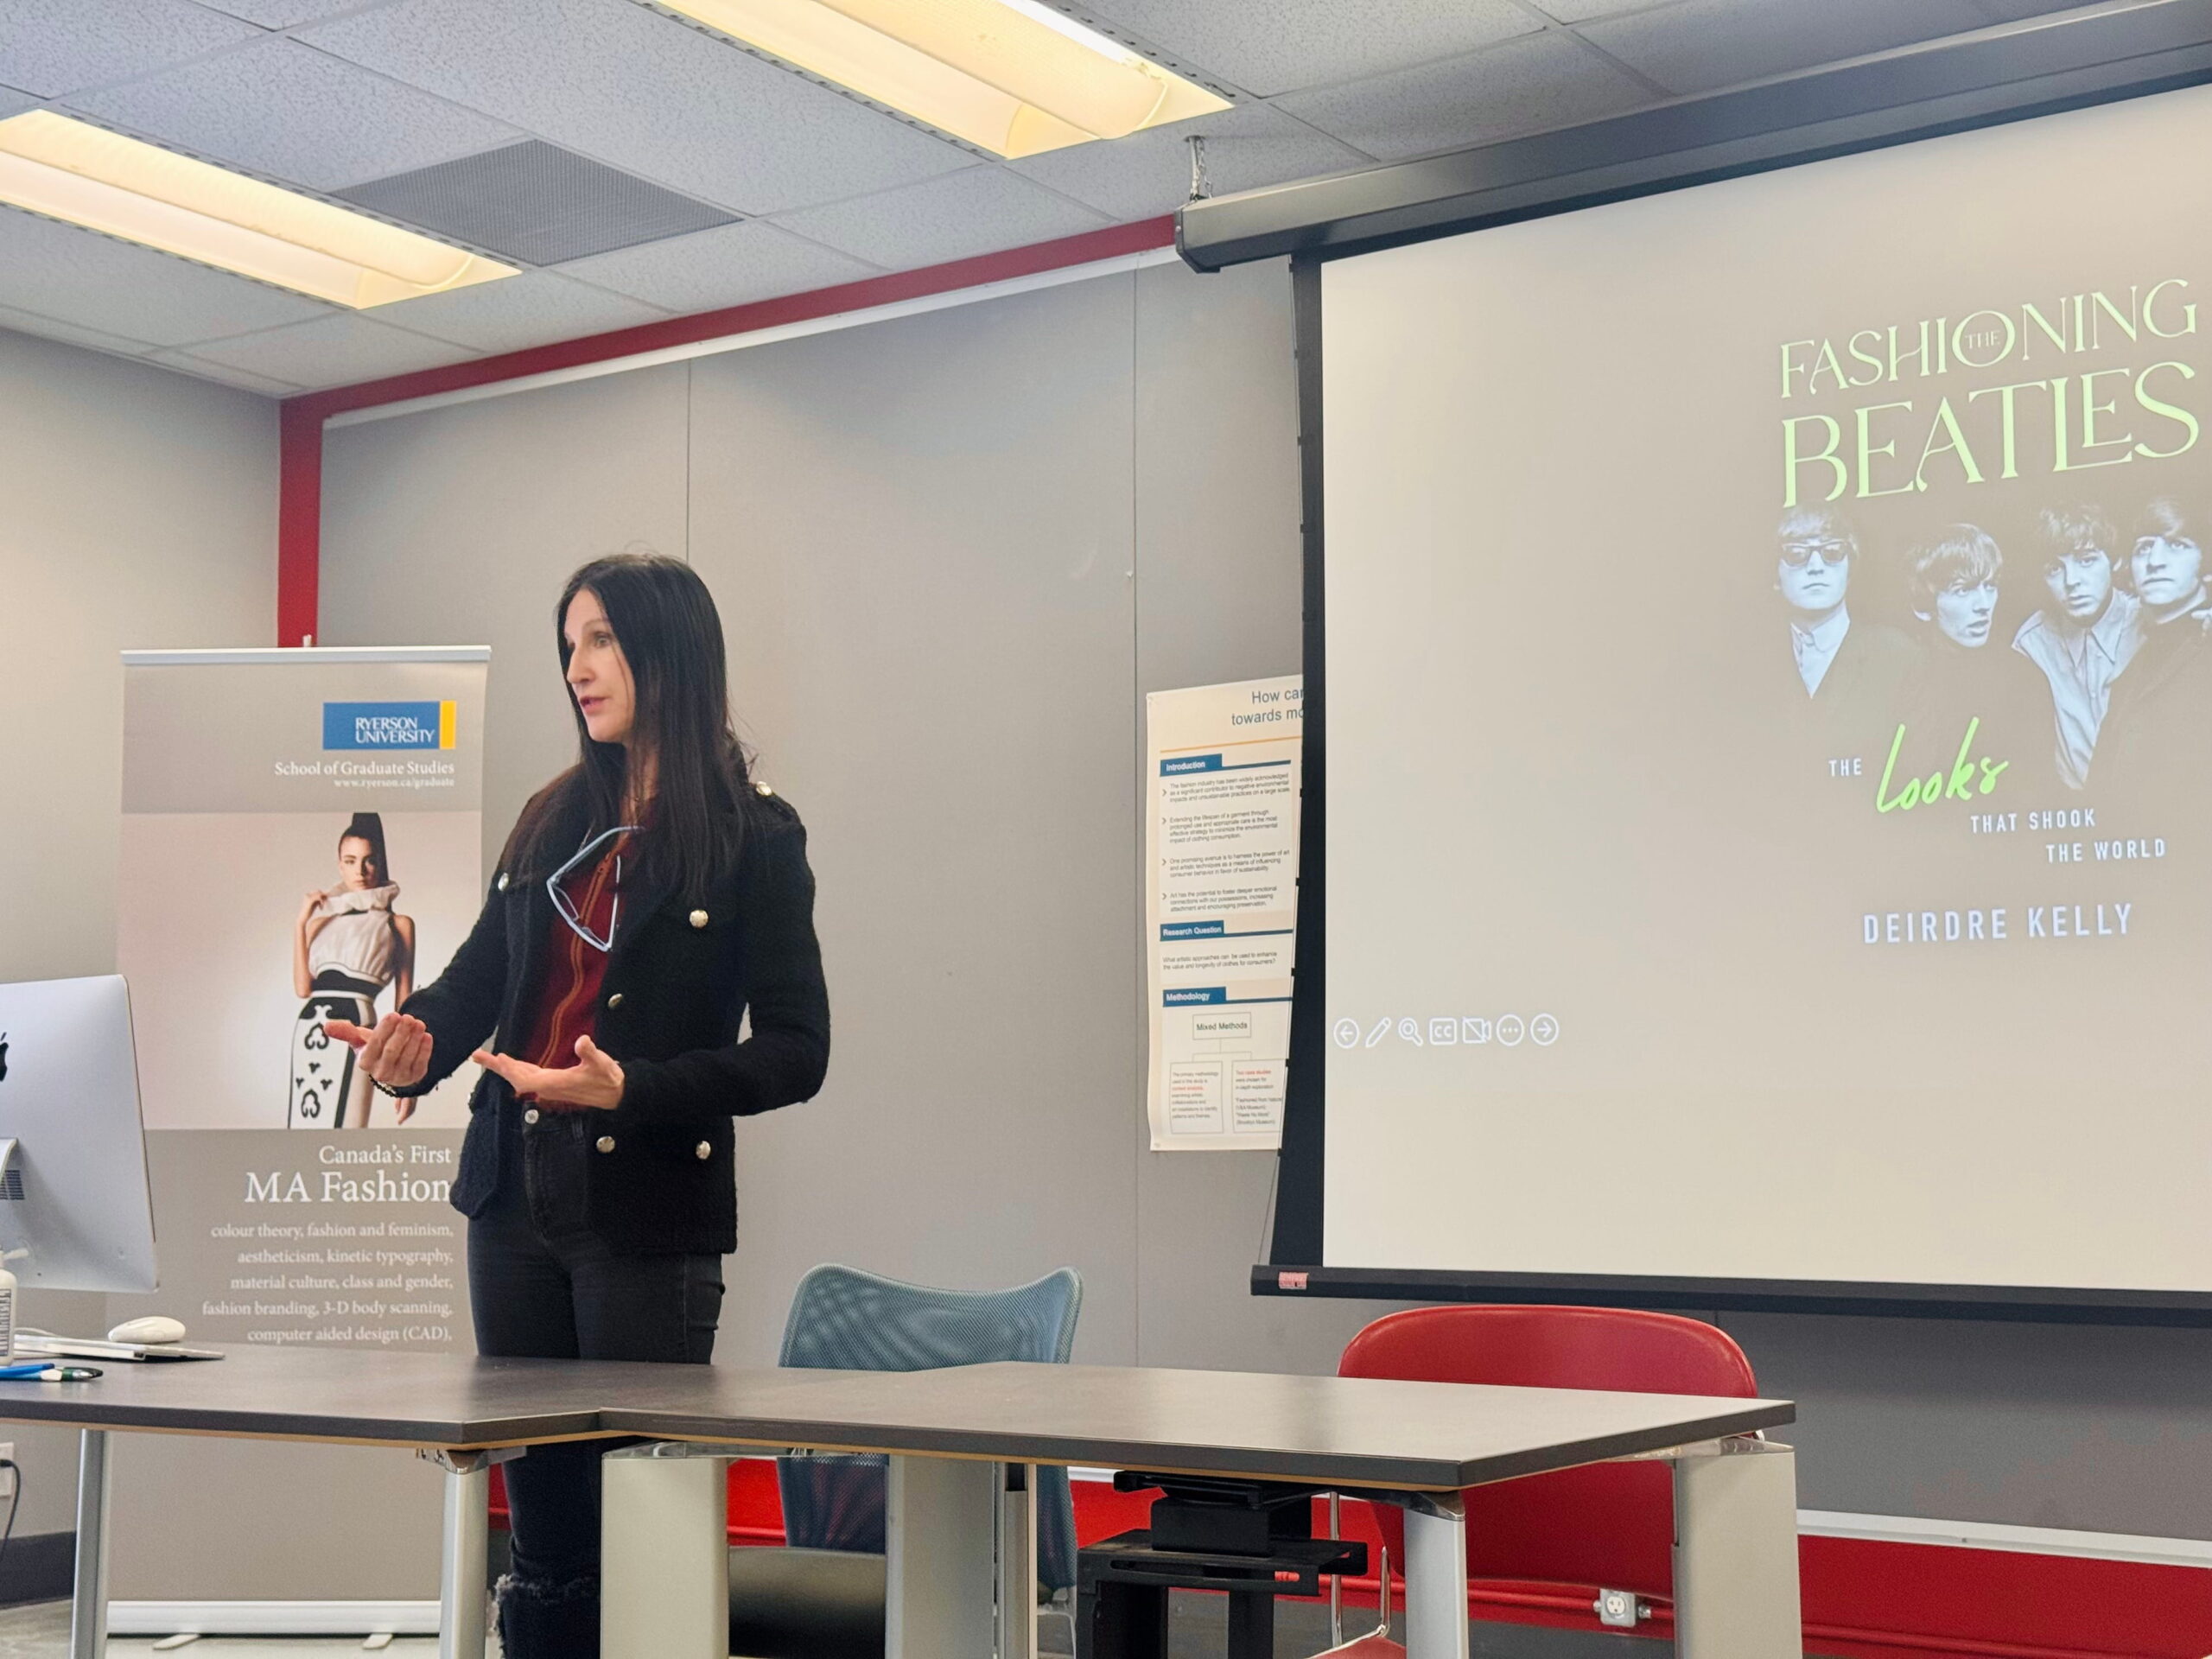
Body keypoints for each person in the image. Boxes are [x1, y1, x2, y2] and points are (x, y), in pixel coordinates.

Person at [326, 552, 830, 1657]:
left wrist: (637, 1089)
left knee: (636, 1506)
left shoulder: (754, 836)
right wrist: (413, 1050)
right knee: (544, 1528)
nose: (579, 668)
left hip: (643, 1206)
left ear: (670, 650)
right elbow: (473, 988)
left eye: (600, 639)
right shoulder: (552, 817)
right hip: (512, 1193)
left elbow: (798, 1052)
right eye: (569, 646)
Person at [288, 813, 413, 1128]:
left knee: (350, 1123)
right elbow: (303, 989)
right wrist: (300, 922)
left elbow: (404, 1003)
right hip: (311, 1026)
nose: (360, 870)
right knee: (304, 1123)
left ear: (380, 863)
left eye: (369, 861)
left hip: (358, 1023)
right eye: (351, 860)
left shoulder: (397, 924)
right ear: (340, 864)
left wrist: (408, 1075)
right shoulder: (319, 923)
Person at [2010, 505, 2141, 791]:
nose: (2072, 582)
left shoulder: (2148, 626)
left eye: (2086, 560)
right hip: (2073, 812)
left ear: (2115, 562)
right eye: (2055, 569)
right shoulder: (2031, 643)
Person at [2094, 496, 2212, 808]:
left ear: (2206, 562)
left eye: (2177, 545)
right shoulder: (2133, 673)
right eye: (2143, 548)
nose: (2155, 561)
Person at [1773, 504, 1919, 753]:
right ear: (1775, 576)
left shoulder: (1900, 656)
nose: (1816, 566)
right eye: (1796, 554)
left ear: (1850, 568)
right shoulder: (1745, 662)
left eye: (1832, 552)